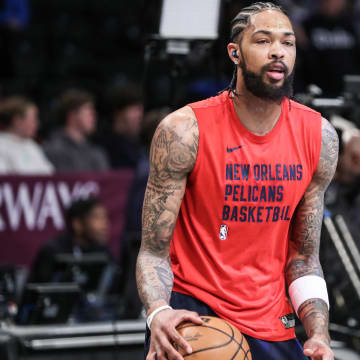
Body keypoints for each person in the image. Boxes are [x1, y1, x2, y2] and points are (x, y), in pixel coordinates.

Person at [136, 2, 338, 360]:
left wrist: (319, 333)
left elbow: (304, 258)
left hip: (272, 319)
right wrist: (158, 312)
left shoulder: (319, 137)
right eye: (262, 41)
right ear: (235, 53)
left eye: (287, 43)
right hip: (195, 314)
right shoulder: (184, 131)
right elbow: (153, 251)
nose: (278, 51)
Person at [44, 89, 109, 172]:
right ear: (72, 115)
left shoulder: (96, 152)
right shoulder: (53, 150)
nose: (94, 117)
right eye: (89, 112)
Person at [0, 96, 54, 174]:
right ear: (17, 120)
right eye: (33, 119)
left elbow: (50, 175)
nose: (37, 124)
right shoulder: (2, 146)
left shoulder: (32, 146)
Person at [97, 84, 144, 169]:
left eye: (140, 110)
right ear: (118, 113)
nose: (139, 115)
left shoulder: (139, 147)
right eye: (134, 110)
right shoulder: (103, 149)